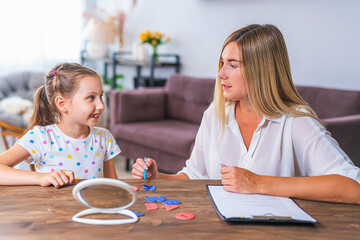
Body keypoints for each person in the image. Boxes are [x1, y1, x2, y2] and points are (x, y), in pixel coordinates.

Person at [131, 24, 360, 204]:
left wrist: (258, 183)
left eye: (233, 65)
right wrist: (160, 178)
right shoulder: (215, 114)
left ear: (261, 71)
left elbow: (352, 187)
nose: (220, 74)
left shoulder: (296, 122)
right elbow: (194, 175)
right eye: (222, 63)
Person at [0, 63, 121, 188]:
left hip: (93, 208)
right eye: (91, 97)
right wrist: (41, 177)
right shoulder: (41, 137)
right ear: (62, 103)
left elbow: (113, 186)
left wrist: (139, 177)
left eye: (100, 96)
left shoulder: (104, 137)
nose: (101, 105)